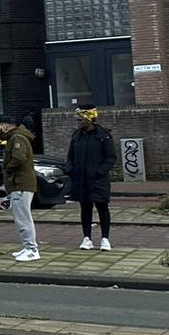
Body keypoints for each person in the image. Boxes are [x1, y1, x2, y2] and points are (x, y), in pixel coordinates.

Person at [66, 105, 115, 250]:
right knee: (85, 208)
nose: (77, 122)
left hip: (98, 179)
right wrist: (71, 169)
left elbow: (110, 157)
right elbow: (70, 156)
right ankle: (86, 238)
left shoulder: (103, 136)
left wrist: (99, 172)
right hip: (81, 179)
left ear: (88, 119)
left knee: (102, 207)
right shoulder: (77, 136)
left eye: (79, 119)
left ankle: (105, 239)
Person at [0, 115, 39, 262]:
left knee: (23, 218)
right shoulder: (15, 137)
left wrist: (7, 169)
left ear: (6, 126)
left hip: (20, 183)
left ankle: (32, 249)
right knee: (21, 217)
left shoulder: (17, 138)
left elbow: (19, 158)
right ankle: (27, 247)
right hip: (19, 183)